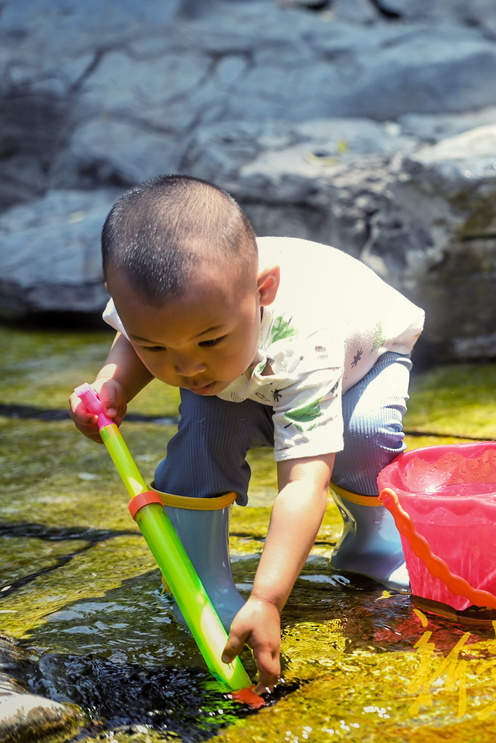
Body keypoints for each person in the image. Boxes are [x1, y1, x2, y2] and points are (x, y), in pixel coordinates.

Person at [68, 175, 424, 690]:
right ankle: (200, 571)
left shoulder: (308, 340)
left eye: (209, 340)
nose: (187, 367)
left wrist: (267, 598)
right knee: (201, 438)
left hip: (356, 365)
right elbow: (136, 339)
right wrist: (114, 383)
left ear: (263, 290)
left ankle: (371, 540)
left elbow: (304, 483)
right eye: (159, 348)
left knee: (361, 436)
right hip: (249, 372)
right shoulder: (178, 322)